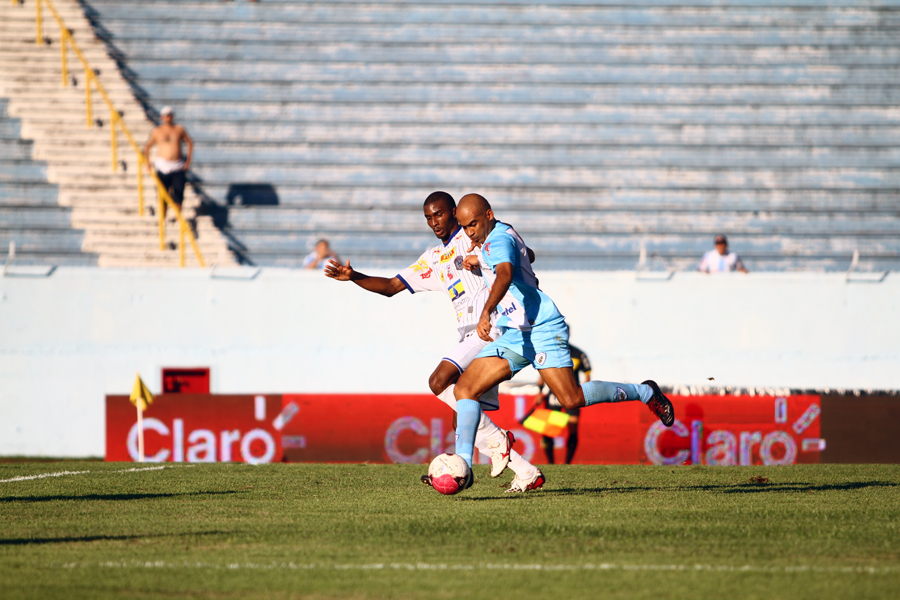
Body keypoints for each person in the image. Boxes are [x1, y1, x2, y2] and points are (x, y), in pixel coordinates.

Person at [324, 191, 544, 492]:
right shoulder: (433, 258)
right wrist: (354, 276)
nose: (434, 222)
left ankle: (497, 442)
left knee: (440, 379)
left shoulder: (475, 235)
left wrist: (481, 259)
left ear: (454, 212)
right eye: (428, 217)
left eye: (439, 214)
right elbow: (390, 286)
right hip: (468, 332)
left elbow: (525, 254)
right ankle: (525, 470)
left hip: (490, 326)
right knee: (462, 419)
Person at [451, 193, 675, 486]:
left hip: (542, 328)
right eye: (465, 227)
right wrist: (480, 257)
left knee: (570, 398)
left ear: (489, 215)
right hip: (515, 332)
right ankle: (462, 469)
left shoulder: (498, 241)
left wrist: (486, 311)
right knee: (465, 388)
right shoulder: (501, 234)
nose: (469, 232)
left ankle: (645, 392)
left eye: (473, 225)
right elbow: (528, 254)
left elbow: (505, 274)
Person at [534, 340, 591, 464]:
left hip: (572, 395)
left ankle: (568, 463)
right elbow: (543, 373)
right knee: (549, 430)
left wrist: (585, 393)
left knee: (572, 428)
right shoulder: (551, 352)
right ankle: (551, 463)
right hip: (554, 395)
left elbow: (587, 374)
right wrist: (539, 391)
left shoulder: (578, 354)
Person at [143, 106, 193, 222]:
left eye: (170, 114)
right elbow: (147, 146)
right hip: (162, 166)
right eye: (166, 115)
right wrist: (148, 163)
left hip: (178, 165)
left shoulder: (179, 129)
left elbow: (189, 142)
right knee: (162, 194)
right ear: (162, 117)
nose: (168, 117)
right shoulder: (157, 131)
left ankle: (177, 218)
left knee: (179, 193)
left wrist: (188, 161)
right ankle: (163, 219)